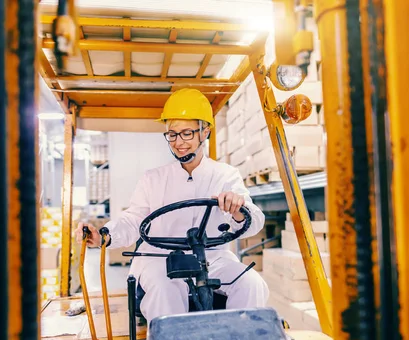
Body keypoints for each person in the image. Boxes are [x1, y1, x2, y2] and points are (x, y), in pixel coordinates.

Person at [74, 88, 269, 323]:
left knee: (251, 284)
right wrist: (105, 235)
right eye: (172, 134)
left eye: (187, 133)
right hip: (159, 258)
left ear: (205, 131)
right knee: (166, 290)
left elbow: (254, 221)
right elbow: (133, 220)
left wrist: (238, 209)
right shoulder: (153, 178)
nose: (179, 143)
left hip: (212, 257)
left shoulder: (226, 175)